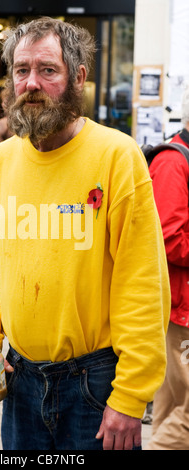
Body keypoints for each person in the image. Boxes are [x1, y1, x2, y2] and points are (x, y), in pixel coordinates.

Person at [0, 17, 170, 450]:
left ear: (77, 76)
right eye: (22, 70)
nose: (31, 83)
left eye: (47, 69)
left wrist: (131, 396)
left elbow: (143, 284)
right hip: (18, 382)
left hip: (95, 384)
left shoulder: (117, 157)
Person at [146, 87, 189, 450]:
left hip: (182, 306)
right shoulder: (175, 161)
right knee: (181, 415)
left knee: (172, 407)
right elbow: (170, 238)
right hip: (180, 310)